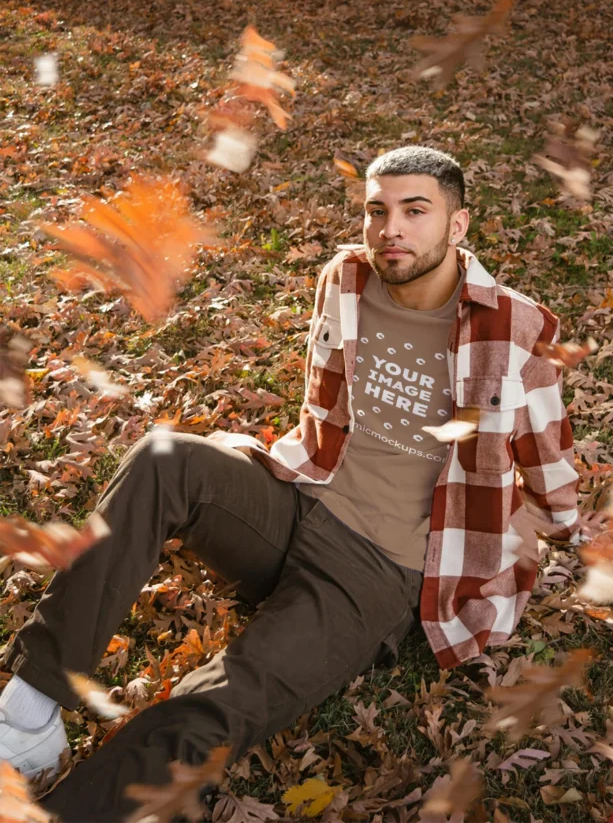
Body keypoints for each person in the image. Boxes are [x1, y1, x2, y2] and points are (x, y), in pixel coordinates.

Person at [0, 146, 580, 821]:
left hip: (376, 572)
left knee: (218, 700)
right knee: (165, 457)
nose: (390, 228)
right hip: (299, 501)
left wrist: (497, 563)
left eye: (414, 211)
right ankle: (28, 715)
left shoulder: (514, 330)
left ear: (457, 226)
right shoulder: (346, 277)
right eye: (376, 210)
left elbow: (552, 483)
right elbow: (323, 412)